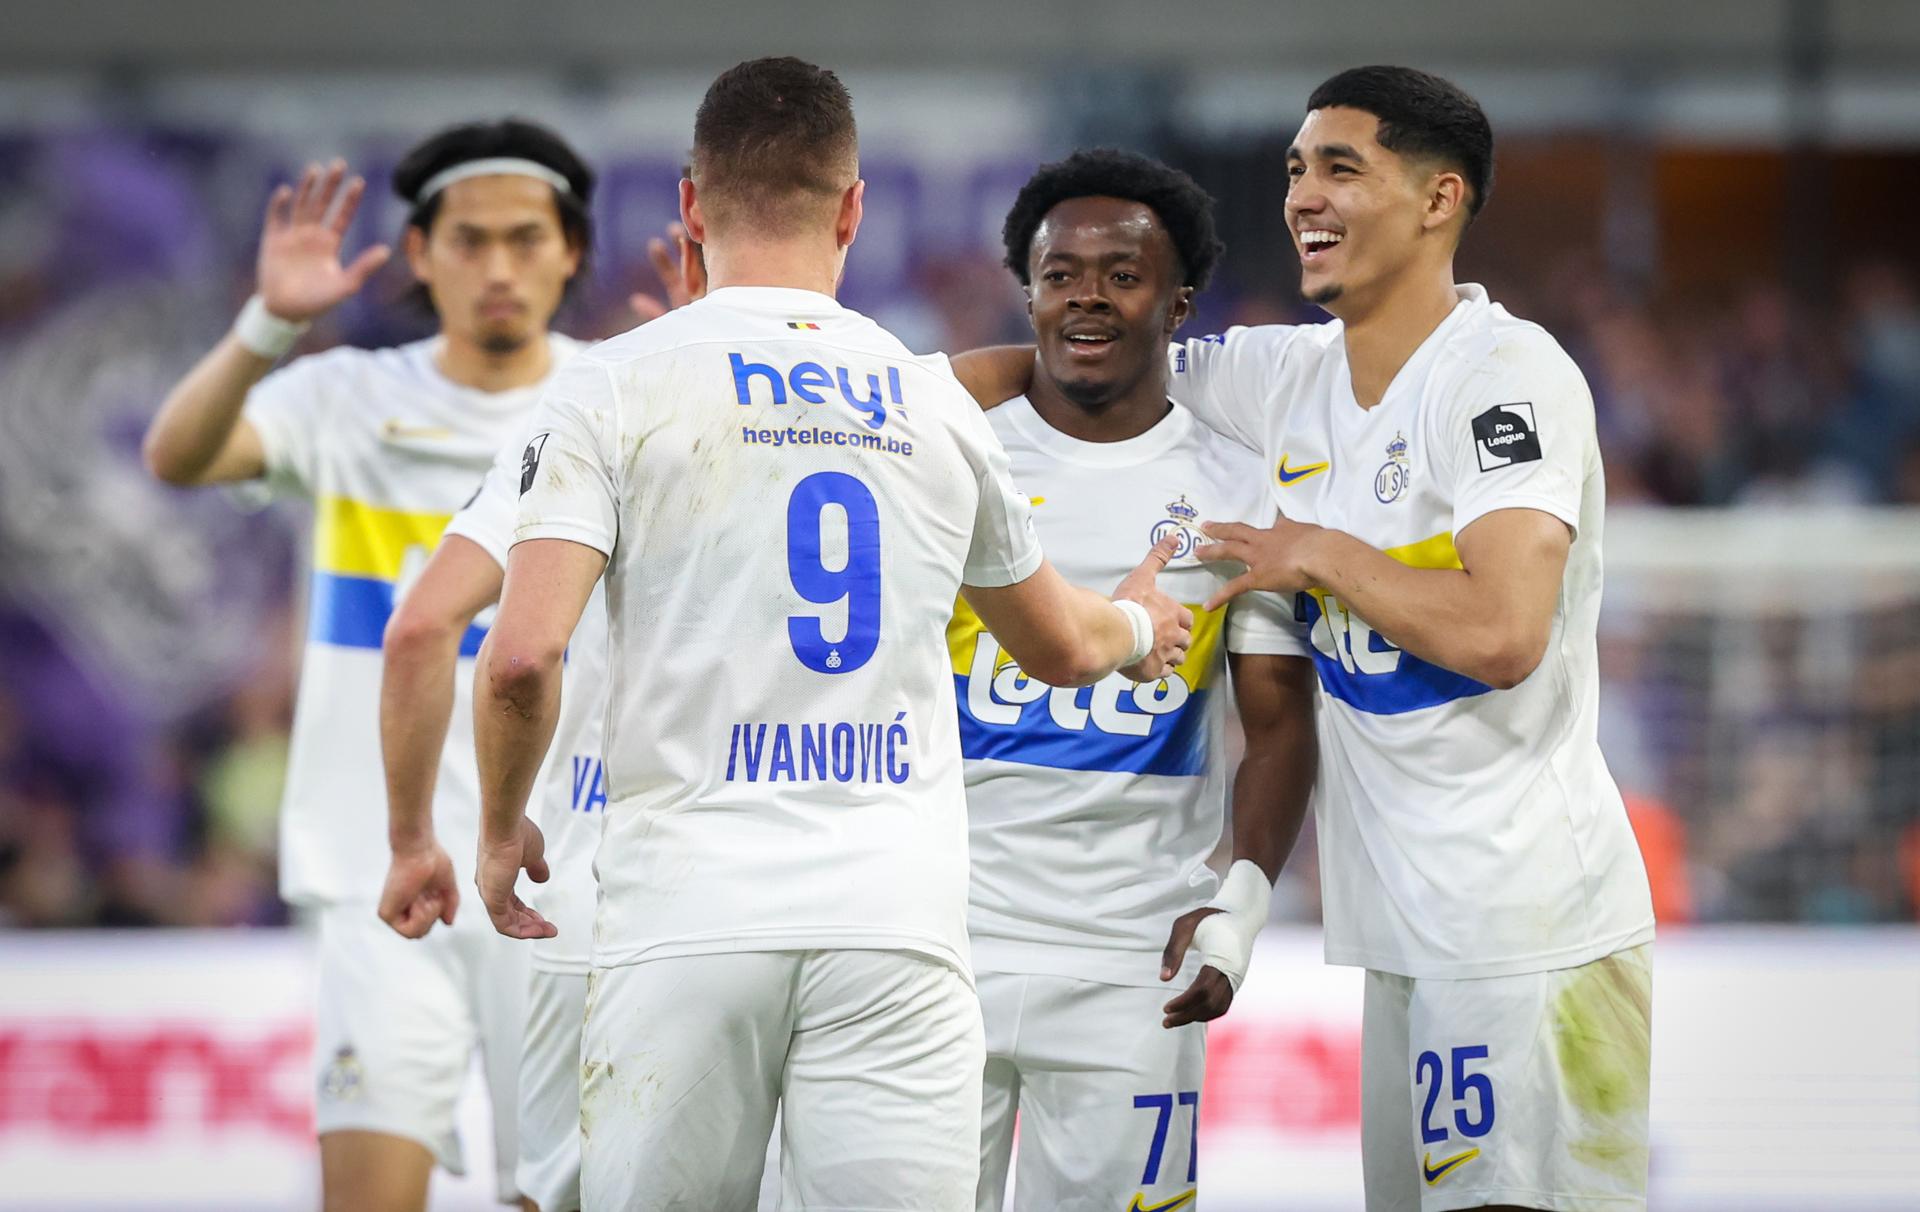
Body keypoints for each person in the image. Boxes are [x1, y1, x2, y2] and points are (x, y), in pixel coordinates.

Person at [471, 57, 1191, 1212]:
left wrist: (503, 828)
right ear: (852, 207)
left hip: (688, 921)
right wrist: (1140, 623)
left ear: (692, 208)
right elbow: (1059, 645)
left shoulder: (614, 387)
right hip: (894, 929)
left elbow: (518, 659)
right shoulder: (930, 403)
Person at [1174, 68, 1657, 1211]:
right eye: (1296, 170)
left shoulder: (1505, 379)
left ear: (1440, 199)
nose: (1304, 196)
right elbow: (1081, 361)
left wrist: (1321, 554)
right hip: (1402, 933)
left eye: (1341, 167)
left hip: (1525, 933)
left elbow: (1502, 632)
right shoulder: (1283, 377)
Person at [141, 119, 597, 1212]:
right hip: (377, 878)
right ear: (421, 253)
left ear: (571, 251)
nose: (499, 266)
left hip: (562, 876)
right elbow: (178, 454)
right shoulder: (346, 395)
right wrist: (267, 325)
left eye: (526, 239)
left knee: (558, 1198)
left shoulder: (608, 404)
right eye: (471, 239)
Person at [962, 149, 1318, 1212]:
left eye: (1121, 274)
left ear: (1179, 305)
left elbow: (1281, 724)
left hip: (1135, 967)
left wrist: (1241, 904)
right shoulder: (950, 454)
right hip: (935, 946)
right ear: (1027, 292)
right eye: (1060, 272)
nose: (1086, 297)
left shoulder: (1233, 489)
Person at [374, 229, 703, 1212]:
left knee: (551, 1194)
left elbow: (424, 628)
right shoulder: (880, 405)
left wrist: (422, 839)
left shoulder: (589, 408)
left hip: (591, 886)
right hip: (789, 889)